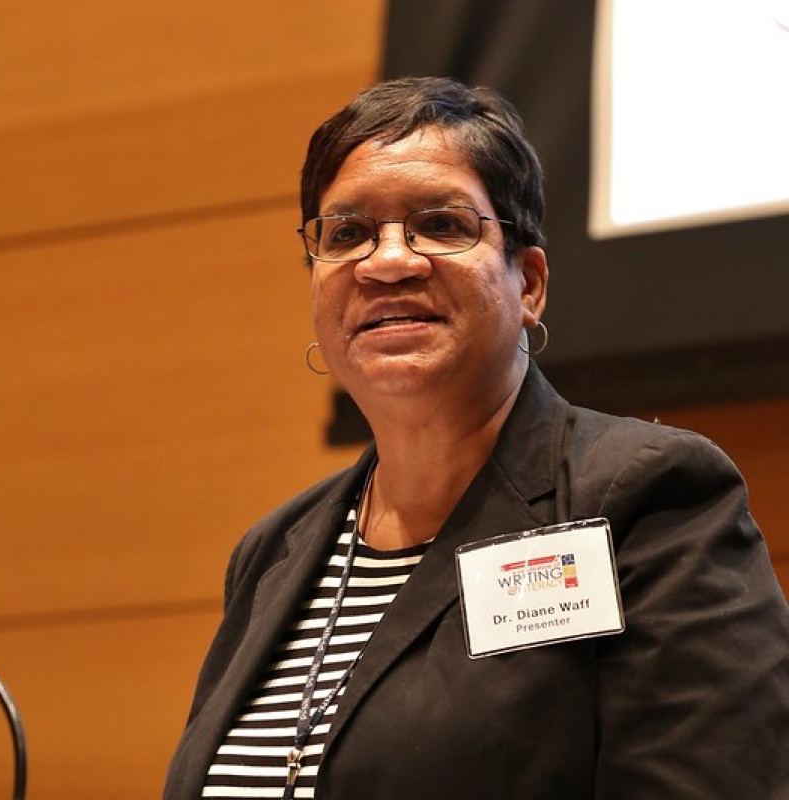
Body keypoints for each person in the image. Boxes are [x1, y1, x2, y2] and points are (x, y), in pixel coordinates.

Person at [163, 77, 789, 800]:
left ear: (528, 284)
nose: (388, 261)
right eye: (346, 234)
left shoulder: (643, 498)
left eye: (441, 224)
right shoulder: (274, 552)